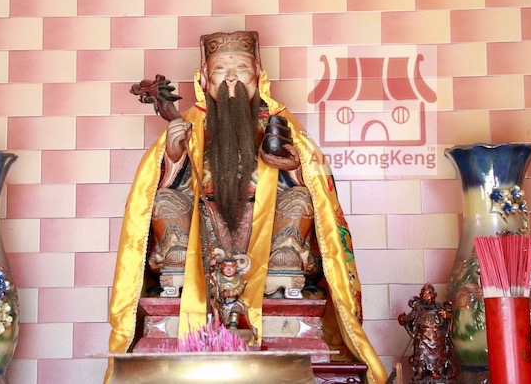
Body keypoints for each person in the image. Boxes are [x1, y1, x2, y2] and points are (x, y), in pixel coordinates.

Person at [105, 31, 387, 384]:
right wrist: (174, 159)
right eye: (220, 69)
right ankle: (183, 277)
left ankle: (283, 270)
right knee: (164, 201)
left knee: (299, 200)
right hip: (203, 232)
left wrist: (293, 168)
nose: (231, 78)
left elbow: (318, 190)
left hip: (266, 235)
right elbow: (154, 195)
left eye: (241, 68)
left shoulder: (281, 123)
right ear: (205, 79)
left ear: (258, 76)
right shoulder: (191, 125)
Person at [398, 283, 457, 381]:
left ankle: (436, 371)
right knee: (420, 355)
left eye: (428, 294)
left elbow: (450, 316)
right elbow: (407, 319)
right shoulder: (418, 308)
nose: (426, 297)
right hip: (422, 337)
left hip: (437, 337)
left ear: (433, 295)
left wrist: (447, 315)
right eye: (424, 295)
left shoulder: (438, 307)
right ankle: (420, 372)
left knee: (440, 354)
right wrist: (408, 328)